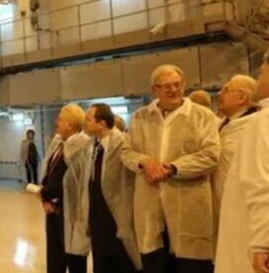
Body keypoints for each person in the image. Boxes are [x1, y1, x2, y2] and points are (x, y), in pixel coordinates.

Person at [121, 64, 220, 273]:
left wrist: (173, 168)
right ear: (154, 90)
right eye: (166, 86)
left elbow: (211, 155)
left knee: (192, 266)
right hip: (150, 208)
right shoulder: (140, 118)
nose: (173, 90)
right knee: (154, 262)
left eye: (177, 84)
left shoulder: (202, 116)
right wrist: (145, 162)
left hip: (189, 208)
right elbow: (126, 151)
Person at [215, 58, 269, 273]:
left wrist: (262, 244)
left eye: (262, 73)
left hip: (251, 230)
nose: (258, 79)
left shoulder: (261, 121)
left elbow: (261, 185)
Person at [82, 103, 141, 273]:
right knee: (101, 263)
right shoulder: (92, 146)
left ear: (101, 123)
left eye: (88, 119)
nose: (84, 123)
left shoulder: (122, 143)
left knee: (122, 262)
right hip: (97, 217)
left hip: (117, 216)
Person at [39, 104, 91, 273]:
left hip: (72, 216)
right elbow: (47, 172)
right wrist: (45, 199)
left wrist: (45, 193)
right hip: (53, 213)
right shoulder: (59, 144)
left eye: (60, 119)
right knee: (55, 263)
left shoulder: (82, 146)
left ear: (70, 124)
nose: (56, 122)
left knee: (75, 262)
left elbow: (76, 183)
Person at [212, 75, 259, 237]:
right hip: (222, 201)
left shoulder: (255, 125)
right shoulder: (223, 123)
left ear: (242, 97)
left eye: (226, 90)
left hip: (244, 204)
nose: (219, 94)